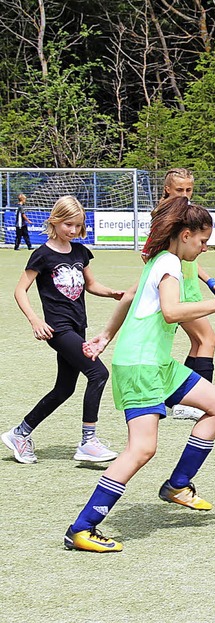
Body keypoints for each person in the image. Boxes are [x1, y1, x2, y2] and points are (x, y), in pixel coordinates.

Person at [64, 196, 215, 552]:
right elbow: (171, 312)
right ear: (185, 235)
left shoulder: (163, 260)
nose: (204, 247)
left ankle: (178, 485)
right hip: (141, 366)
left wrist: (106, 335)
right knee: (141, 449)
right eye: (202, 241)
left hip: (158, 363)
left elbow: (130, 298)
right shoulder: (167, 263)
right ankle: (82, 527)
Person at [2, 196, 123, 464]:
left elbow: (91, 285)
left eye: (77, 226)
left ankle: (20, 433)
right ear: (55, 221)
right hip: (58, 329)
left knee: (64, 389)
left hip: (77, 327)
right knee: (98, 373)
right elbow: (20, 290)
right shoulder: (42, 255)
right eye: (68, 224)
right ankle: (88, 441)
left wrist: (113, 293)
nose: (72, 230)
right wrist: (35, 320)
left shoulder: (81, 252)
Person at [142, 168, 215, 421]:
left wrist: (209, 280)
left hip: (190, 290)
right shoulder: (166, 217)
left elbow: (189, 256)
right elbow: (148, 254)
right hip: (178, 294)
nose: (185, 194)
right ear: (167, 189)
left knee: (200, 342)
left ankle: (179, 398)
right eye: (180, 190)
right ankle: (192, 400)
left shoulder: (184, 214)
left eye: (189, 190)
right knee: (208, 340)